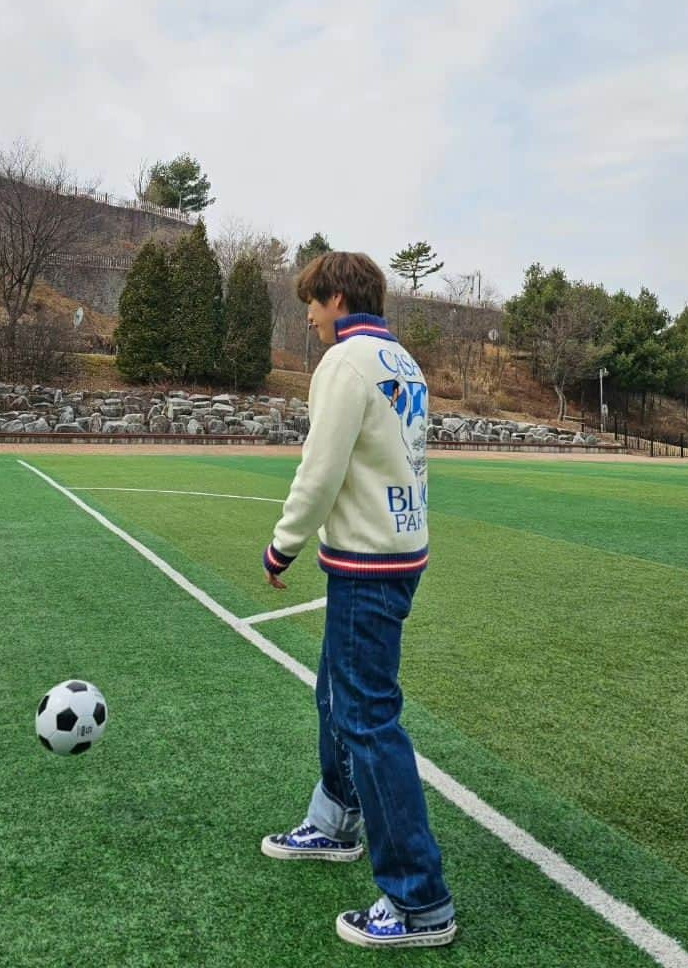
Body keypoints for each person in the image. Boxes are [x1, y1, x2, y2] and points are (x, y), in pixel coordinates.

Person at [260, 251, 456, 949]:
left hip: (368, 563)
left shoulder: (344, 364)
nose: (308, 315)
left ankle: (418, 901)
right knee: (335, 695)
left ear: (338, 297)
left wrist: (280, 545)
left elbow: (321, 469)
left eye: (312, 301)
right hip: (399, 552)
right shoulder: (401, 360)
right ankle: (335, 821)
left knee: (368, 720)